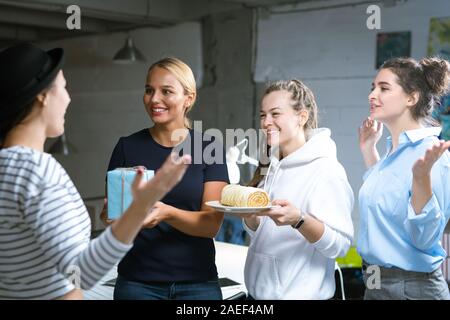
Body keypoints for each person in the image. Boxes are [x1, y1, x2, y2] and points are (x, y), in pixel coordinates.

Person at [0, 43, 190, 300]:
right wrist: (142, 205)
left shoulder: (7, 165)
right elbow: (82, 273)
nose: (68, 98)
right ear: (43, 96)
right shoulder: (37, 170)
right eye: (64, 87)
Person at [102, 57, 229, 300]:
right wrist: (113, 216)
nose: (154, 99)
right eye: (149, 90)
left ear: (188, 99)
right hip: (137, 284)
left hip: (198, 284)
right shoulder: (127, 147)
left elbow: (211, 225)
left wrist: (166, 213)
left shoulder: (208, 146)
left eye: (166, 91)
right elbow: (112, 218)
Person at [241, 79, 354, 299]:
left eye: (275, 114)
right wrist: (251, 219)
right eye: (263, 115)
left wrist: (299, 220)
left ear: (301, 117)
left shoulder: (327, 170)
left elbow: (340, 247)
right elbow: (265, 235)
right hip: (257, 297)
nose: (266, 122)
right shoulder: (269, 165)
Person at [357, 57, 450, 300]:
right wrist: (369, 150)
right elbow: (384, 206)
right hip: (377, 282)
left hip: (411, 288)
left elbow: (424, 238)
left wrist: (422, 181)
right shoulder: (394, 152)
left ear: (412, 98)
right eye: (373, 88)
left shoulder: (433, 155)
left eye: (384, 88)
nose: (372, 95)